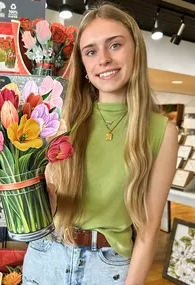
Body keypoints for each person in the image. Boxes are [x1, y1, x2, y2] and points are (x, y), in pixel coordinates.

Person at [22, 2, 178, 285]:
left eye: (115, 45)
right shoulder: (60, 119)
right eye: (91, 51)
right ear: (83, 65)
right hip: (45, 257)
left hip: (106, 268)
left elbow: (149, 228)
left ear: (136, 51)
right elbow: (45, 205)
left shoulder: (161, 132)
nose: (103, 59)